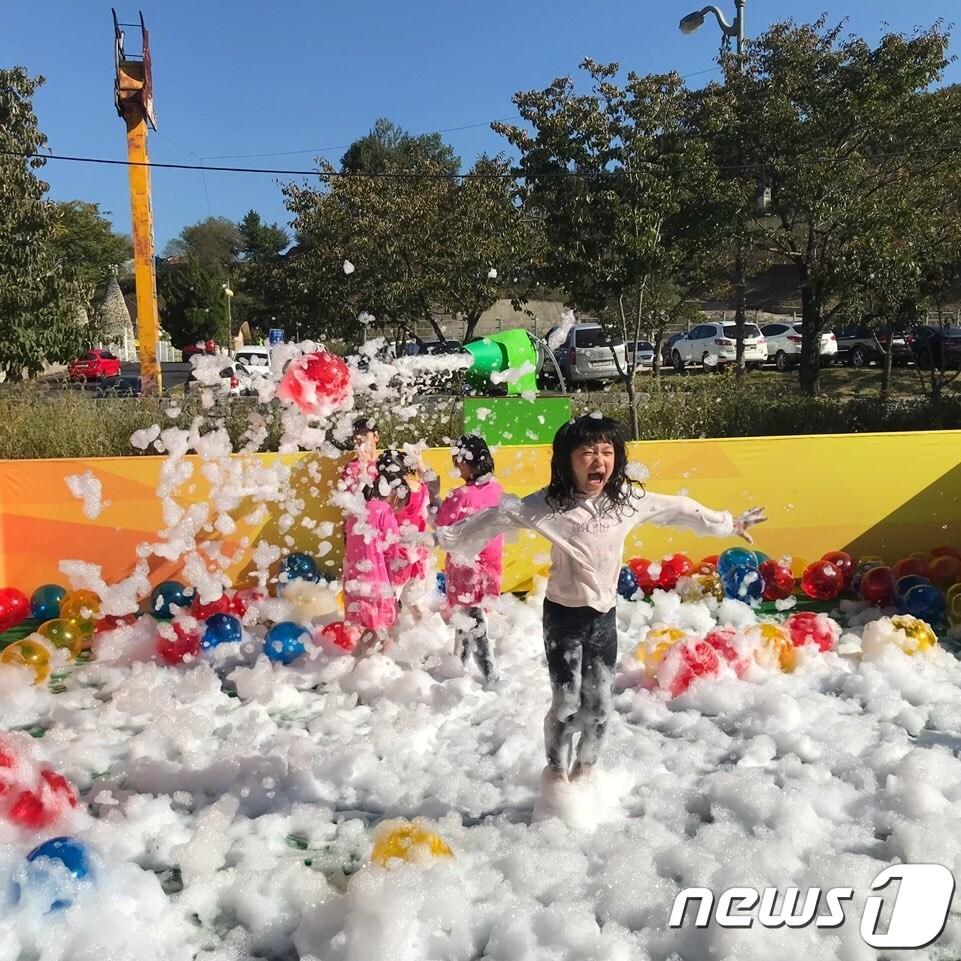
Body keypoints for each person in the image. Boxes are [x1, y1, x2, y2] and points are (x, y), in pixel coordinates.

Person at [435, 415, 766, 782]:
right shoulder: (547, 505)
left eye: (607, 452)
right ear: (566, 461)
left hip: (603, 618)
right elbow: (495, 517)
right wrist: (445, 539)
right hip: (562, 617)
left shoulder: (624, 501)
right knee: (565, 704)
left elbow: (677, 509)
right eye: (588, 453)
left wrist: (727, 523)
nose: (599, 461)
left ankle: (585, 773)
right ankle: (556, 775)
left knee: (600, 707)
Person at [435, 435, 503, 683]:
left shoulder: (460, 495)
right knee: (467, 618)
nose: (456, 465)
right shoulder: (496, 488)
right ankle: (460, 666)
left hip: (467, 566)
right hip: (490, 563)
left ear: (468, 461)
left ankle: (490, 674)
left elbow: (441, 525)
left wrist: (432, 497)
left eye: (458, 459)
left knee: (472, 620)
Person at [342, 451, 403, 655]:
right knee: (380, 630)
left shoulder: (356, 510)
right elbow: (392, 548)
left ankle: (370, 666)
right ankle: (360, 665)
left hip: (355, 582)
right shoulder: (383, 511)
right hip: (378, 583)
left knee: (378, 628)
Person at [339, 416, 379, 494]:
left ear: (376, 437)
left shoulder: (387, 461)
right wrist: (363, 466)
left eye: (365, 433)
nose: (360, 437)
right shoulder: (351, 467)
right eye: (356, 434)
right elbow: (352, 498)